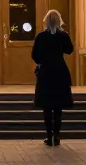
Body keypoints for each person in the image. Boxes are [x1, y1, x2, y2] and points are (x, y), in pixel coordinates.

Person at [33, 9, 75, 146]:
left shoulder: (41, 36)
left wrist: (42, 60)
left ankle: (48, 136)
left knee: (47, 106)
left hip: (45, 72)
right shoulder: (63, 35)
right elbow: (69, 50)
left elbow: (34, 55)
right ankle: (57, 136)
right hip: (60, 72)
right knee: (58, 107)